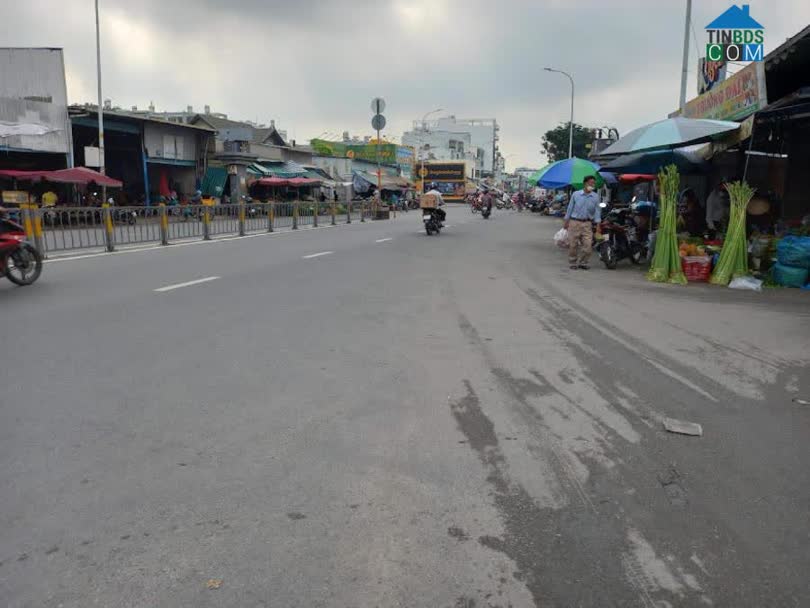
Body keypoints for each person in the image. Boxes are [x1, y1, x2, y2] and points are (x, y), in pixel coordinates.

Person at [564, 175, 602, 270]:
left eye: (593, 183)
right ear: (585, 183)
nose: (592, 185)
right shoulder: (576, 194)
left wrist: (598, 225)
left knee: (588, 245)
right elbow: (570, 208)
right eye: (590, 183)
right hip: (574, 222)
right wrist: (566, 221)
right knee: (573, 244)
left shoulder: (595, 196)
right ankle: (573, 262)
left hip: (587, 223)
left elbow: (597, 211)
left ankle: (583, 262)